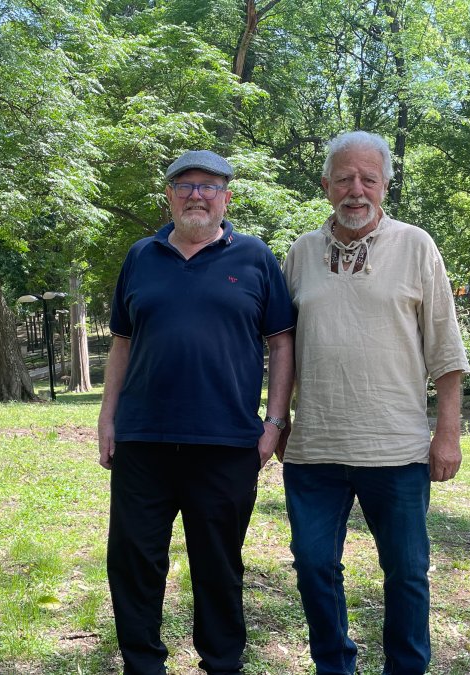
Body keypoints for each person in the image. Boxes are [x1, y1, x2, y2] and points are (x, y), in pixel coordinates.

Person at [98, 149, 295, 675]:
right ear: (169, 196)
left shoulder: (255, 257)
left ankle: (222, 663)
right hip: (143, 440)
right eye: (184, 186)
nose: (196, 195)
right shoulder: (141, 256)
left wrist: (274, 422)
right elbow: (121, 341)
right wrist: (106, 418)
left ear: (226, 197)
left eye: (209, 186)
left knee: (219, 567)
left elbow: (281, 342)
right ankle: (143, 666)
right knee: (134, 564)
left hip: (226, 443)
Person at [279, 131, 470, 675]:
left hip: (398, 449)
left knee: (407, 572)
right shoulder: (300, 253)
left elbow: (446, 352)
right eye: (344, 178)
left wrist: (448, 434)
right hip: (315, 450)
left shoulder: (416, 245)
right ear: (325, 186)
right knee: (315, 567)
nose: (355, 190)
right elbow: (281, 345)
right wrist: (278, 417)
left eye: (368, 179)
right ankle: (334, 666)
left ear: (386, 184)